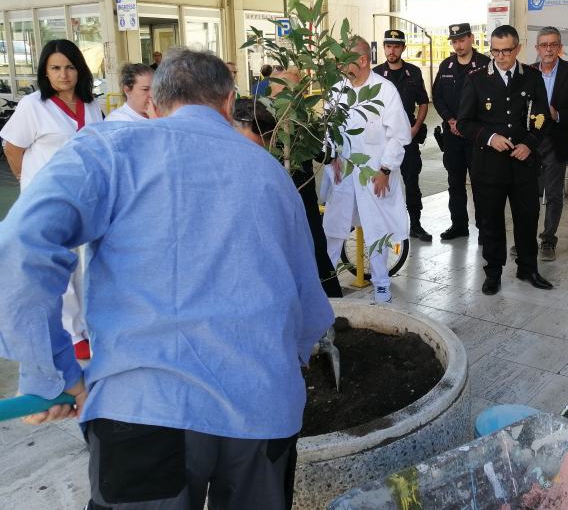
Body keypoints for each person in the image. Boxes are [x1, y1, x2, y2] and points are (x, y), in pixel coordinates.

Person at [0, 48, 334, 509]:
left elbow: (21, 245)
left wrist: (47, 368)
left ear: (153, 104)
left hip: (143, 409)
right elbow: (310, 308)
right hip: (263, 414)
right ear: (227, 103)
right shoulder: (271, 173)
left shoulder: (109, 149)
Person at [0, 39, 104, 359]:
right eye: (56, 68)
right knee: (61, 265)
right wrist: (27, 182)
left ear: (80, 70)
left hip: (85, 196)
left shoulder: (91, 104)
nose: (63, 74)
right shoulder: (34, 105)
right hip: (48, 199)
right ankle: (73, 333)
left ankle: (90, 324)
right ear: (45, 72)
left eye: (70, 67)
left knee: (88, 261)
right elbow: (12, 147)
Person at [458, 24, 553, 296]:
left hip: (523, 163)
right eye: (495, 51)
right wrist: (489, 137)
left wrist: (529, 144)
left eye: (506, 51)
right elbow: (464, 123)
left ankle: (528, 268)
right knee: (490, 221)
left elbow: (542, 117)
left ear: (518, 49)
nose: (500, 57)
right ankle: (493, 272)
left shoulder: (532, 78)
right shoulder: (476, 79)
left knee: (527, 217)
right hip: (488, 165)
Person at [323, 36, 412, 304]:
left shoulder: (385, 91)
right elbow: (328, 129)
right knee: (334, 227)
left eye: (345, 61)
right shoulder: (337, 90)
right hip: (343, 174)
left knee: (377, 228)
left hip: (375, 173)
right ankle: (325, 280)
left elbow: (399, 136)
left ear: (362, 61)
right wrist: (332, 156)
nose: (340, 67)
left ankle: (381, 283)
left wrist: (386, 169)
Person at [233, 97, 343, 299]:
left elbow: (325, 156)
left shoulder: (298, 128)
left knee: (317, 256)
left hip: (303, 206)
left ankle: (335, 307)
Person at [529, 26, 568, 262]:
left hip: (557, 141)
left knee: (553, 195)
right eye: (544, 45)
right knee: (529, 194)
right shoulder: (527, 72)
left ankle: (548, 240)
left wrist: (559, 115)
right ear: (537, 48)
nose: (548, 49)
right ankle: (527, 239)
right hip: (531, 144)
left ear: (560, 47)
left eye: (553, 44)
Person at [431, 23, 490, 241]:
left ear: (471, 39)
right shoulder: (446, 65)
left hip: (475, 136)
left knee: (480, 183)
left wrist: (467, 124)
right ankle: (459, 225)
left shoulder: (485, 64)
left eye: (462, 40)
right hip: (452, 135)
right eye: (454, 41)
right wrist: (450, 119)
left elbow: (489, 100)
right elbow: (437, 96)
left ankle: (484, 229)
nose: (458, 45)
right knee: (455, 182)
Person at [373, 28, 432, 242]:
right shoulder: (376, 73)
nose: (392, 50)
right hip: (383, 139)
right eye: (388, 46)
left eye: (396, 46)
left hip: (407, 139)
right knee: (382, 180)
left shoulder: (413, 73)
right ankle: (383, 224)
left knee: (411, 181)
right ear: (384, 48)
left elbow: (423, 102)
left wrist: (416, 127)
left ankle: (415, 224)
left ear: (403, 48)